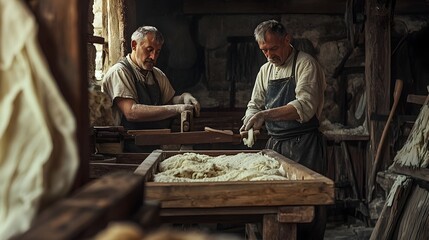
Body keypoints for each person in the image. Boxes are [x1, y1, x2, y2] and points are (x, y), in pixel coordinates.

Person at [240, 20, 327, 239]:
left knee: (306, 209)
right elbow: (254, 104)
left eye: (273, 48)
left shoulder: (305, 64)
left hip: (305, 146)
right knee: (274, 205)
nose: (269, 55)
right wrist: (250, 119)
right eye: (264, 51)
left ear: (287, 40)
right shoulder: (265, 70)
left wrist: (264, 115)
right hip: (275, 147)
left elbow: (304, 106)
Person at [102, 26, 200, 152]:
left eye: (157, 52)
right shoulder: (119, 72)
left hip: (152, 147)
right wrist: (177, 109)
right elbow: (131, 112)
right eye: (149, 50)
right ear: (134, 45)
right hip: (125, 149)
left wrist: (184, 98)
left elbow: (169, 102)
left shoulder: (156, 74)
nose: (153, 57)